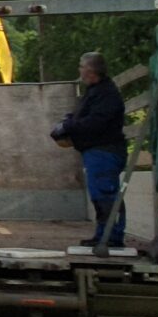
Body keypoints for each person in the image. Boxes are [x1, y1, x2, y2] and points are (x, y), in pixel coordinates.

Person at [50, 50, 128, 249]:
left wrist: (69, 127)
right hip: (96, 152)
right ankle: (104, 234)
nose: (79, 70)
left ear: (90, 70)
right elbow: (84, 116)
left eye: (81, 66)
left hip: (105, 151)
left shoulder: (106, 94)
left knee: (105, 194)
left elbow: (96, 122)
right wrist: (69, 121)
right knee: (99, 195)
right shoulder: (96, 92)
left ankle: (112, 236)